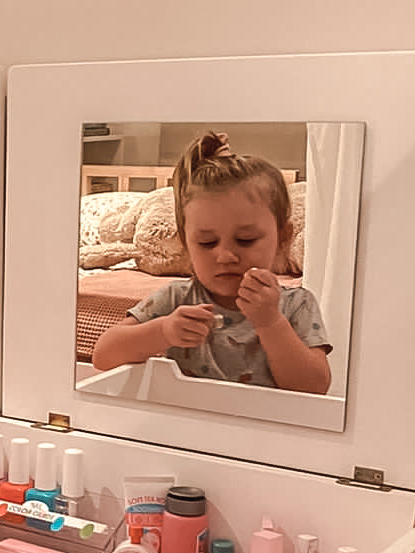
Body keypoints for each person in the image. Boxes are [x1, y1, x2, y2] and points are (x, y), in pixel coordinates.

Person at [90, 131, 332, 392]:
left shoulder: (297, 305)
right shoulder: (176, 299)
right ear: (186, 244)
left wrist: (270, 323)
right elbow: (103, 356)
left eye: (246, 239)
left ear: (282, 238)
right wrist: (163, 331)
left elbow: (315, 386)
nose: (226, 256)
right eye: (207, 243)